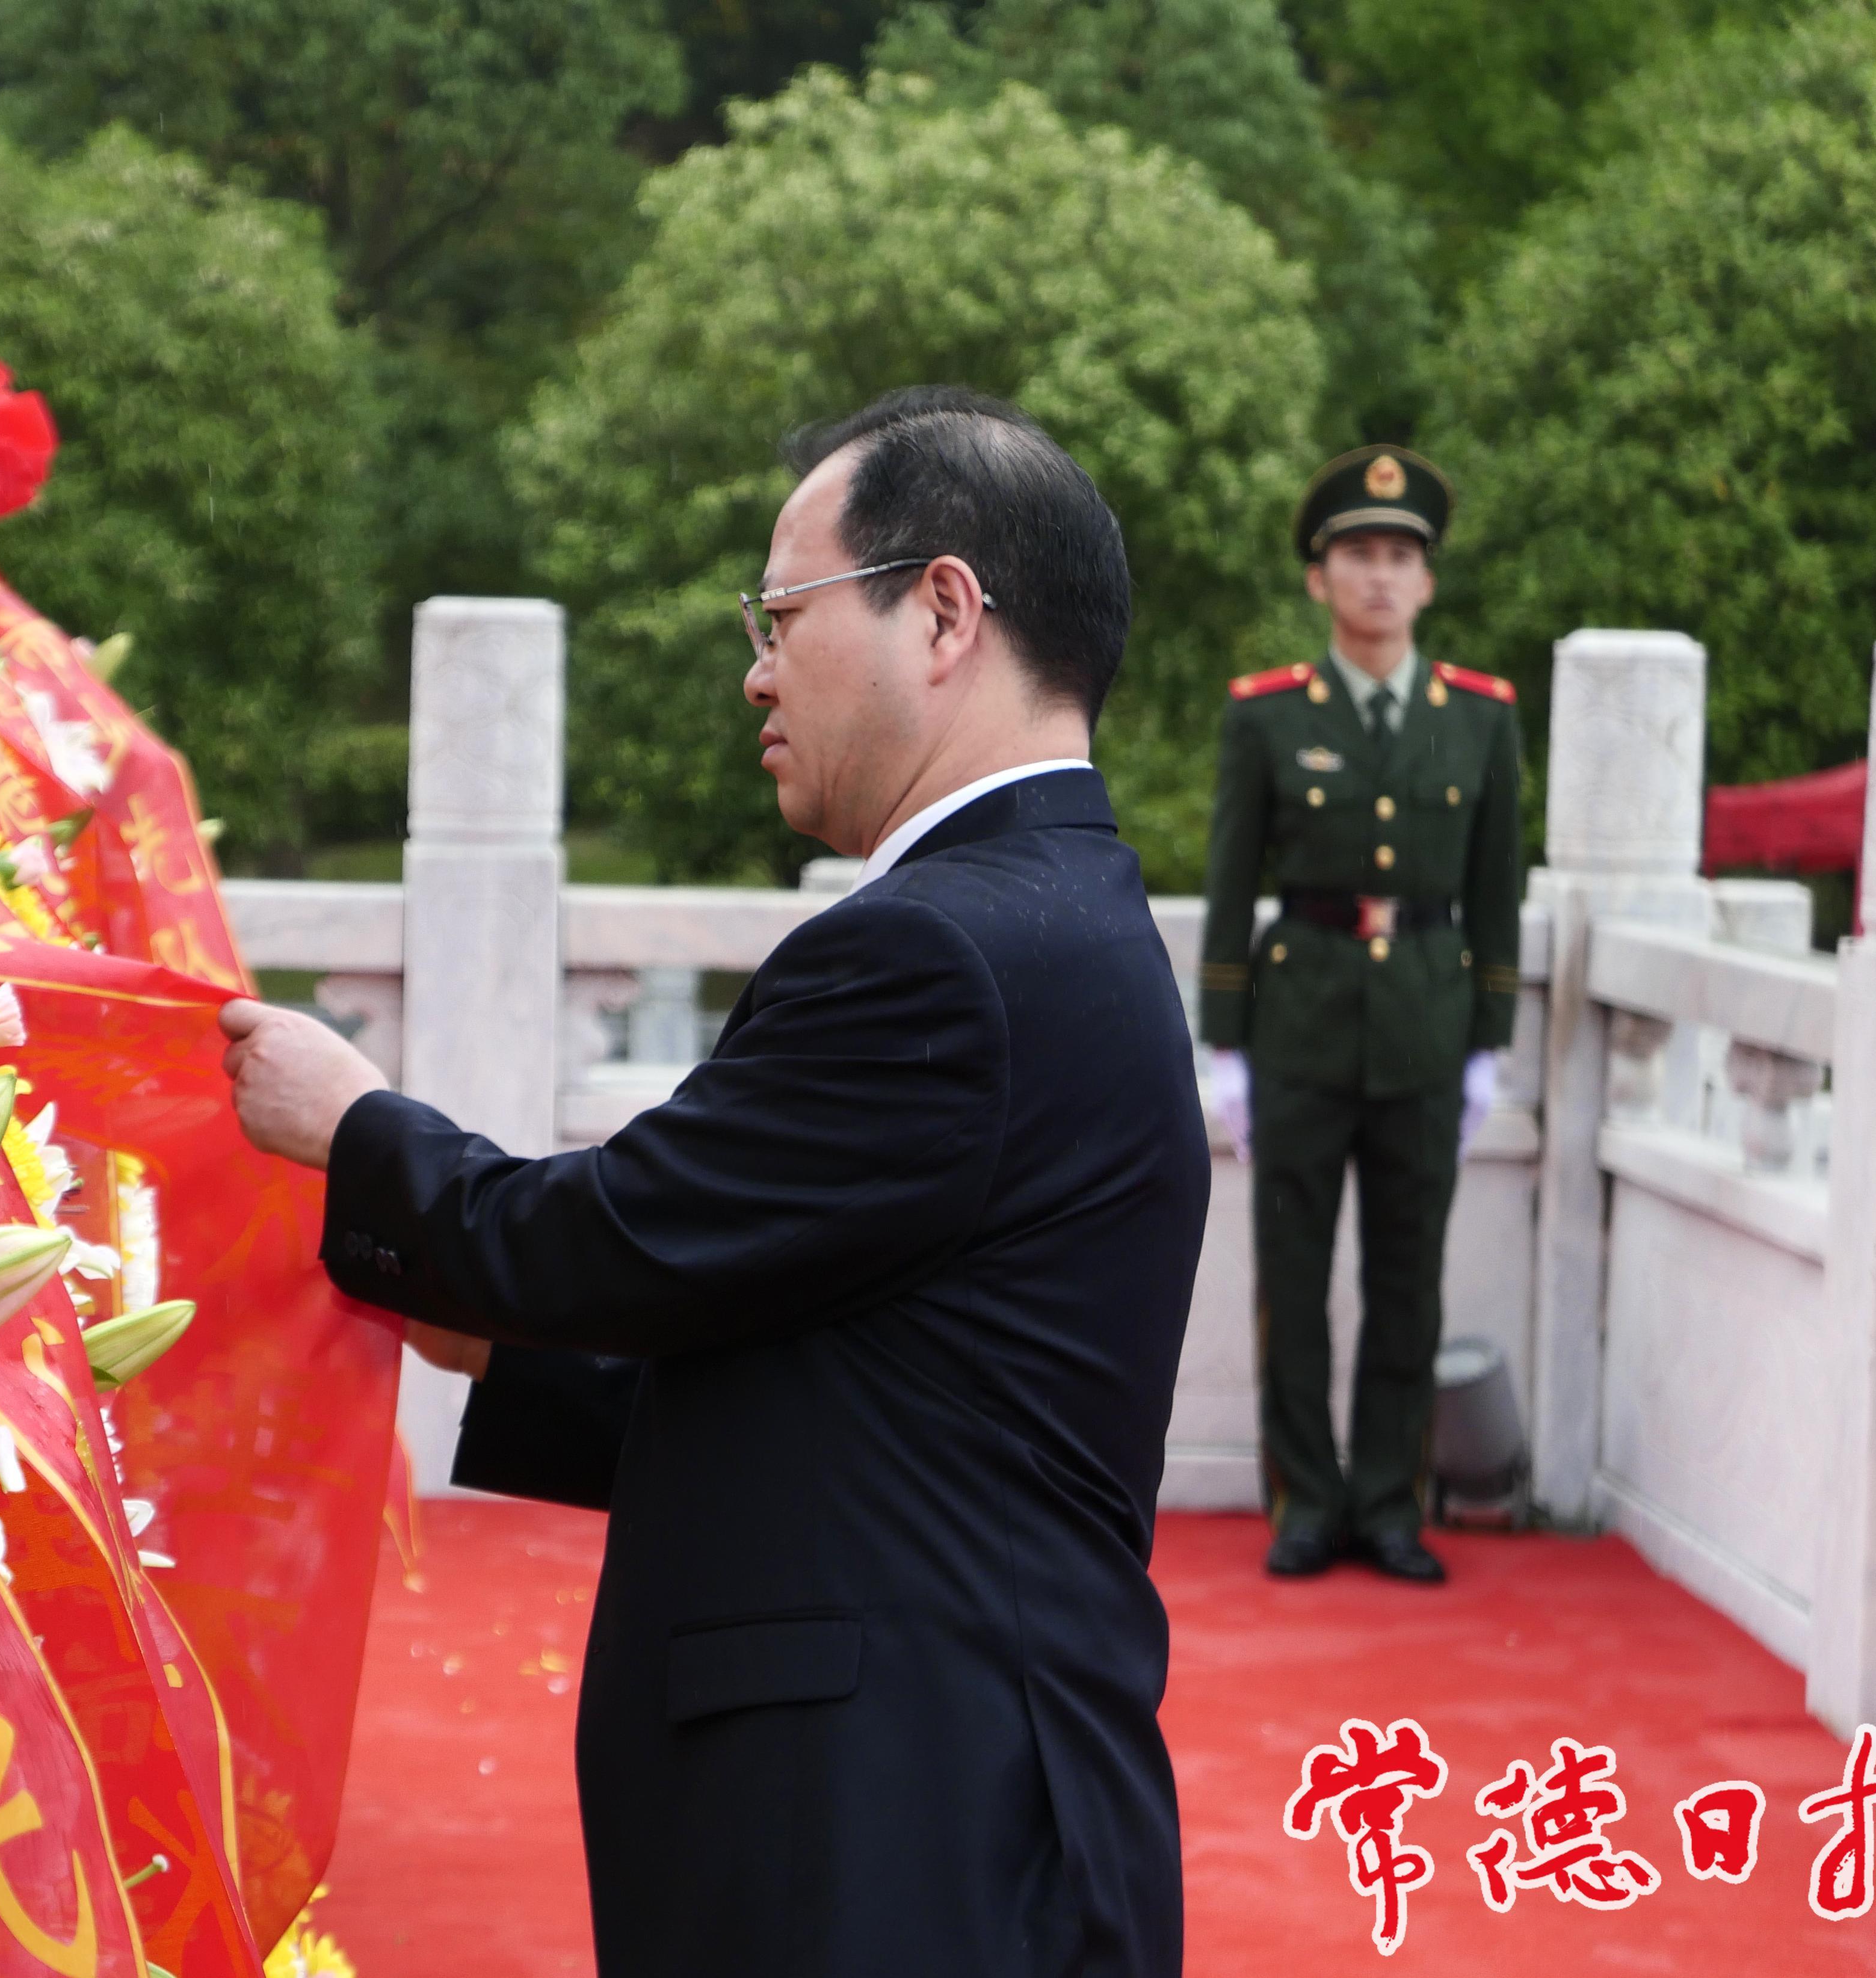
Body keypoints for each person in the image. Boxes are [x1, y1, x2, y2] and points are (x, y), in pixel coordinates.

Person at [218, 386, 1208, 1977]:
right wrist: (493, 1344)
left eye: (782, 615)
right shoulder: (1057, 912)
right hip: (946, 1805)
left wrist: (354, 1129)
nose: (755, 671)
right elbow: (845, 1375)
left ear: (943, 612)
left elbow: (615, 1235)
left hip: (903, 1836)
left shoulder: (936, 949)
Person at [1195, 444, 1523, 1586]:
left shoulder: (1478, 719)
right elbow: (1231, 884)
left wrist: (1489, 1044)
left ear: (1426, 581)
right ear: (1319, 577)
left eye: (1399, 556)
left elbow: (1495, 890)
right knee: (1292, 1279)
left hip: (1428, 1027)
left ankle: (1389, 1503)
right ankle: (1303, 1499)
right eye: (1357, 554)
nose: (1379, 575)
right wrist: (1226, 1044)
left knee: (1407, 1280)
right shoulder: (1267, 716)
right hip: (1299, 1027)